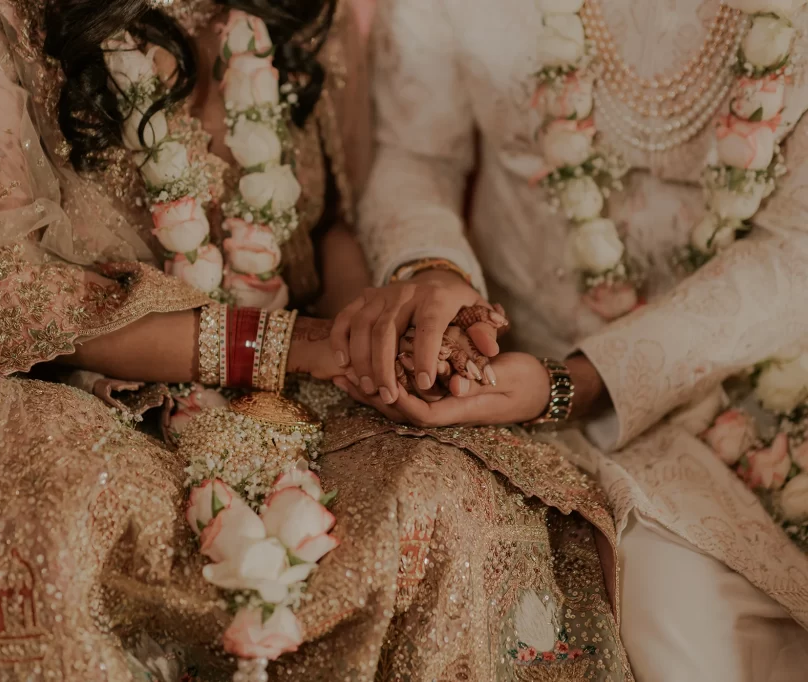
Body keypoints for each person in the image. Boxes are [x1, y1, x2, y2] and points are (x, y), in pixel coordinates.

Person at [0, 0, 631, 679]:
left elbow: (327, 218)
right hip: (47, 375)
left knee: (443, 488)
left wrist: (388, 344)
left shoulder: (297, 15)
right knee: (42, 503)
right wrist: (302, 344)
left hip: (290, 372)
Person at [346, 0, 808, 680]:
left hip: (749, 374)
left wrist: (581, 382)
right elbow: (415, 158)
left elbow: (795, 251)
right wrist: (435, 274)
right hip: (507, 367)